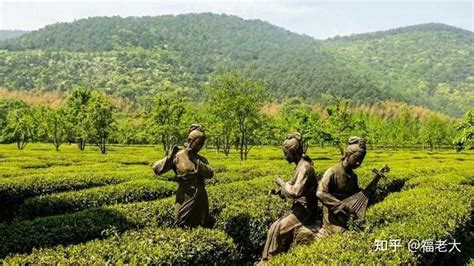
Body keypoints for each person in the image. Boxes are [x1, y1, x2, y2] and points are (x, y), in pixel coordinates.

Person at [259, 132, 319, 264]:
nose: (285, 157)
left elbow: (295, 191)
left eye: (286, 153)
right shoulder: (299, 165)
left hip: (306, 211)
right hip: (298, 209)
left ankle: (271, 259)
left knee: (279, 229)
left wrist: (282, 183)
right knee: (274, 226)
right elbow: (290, 186)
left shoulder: (305, 168)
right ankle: (267, 259)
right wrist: (278, 191)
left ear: (294, 152)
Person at [152, 124, 214, 228]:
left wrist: (194, 160)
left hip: (200, 196)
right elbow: (156, 169)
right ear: (190, 141)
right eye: (198, 144)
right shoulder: (177, 156)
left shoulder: (201, 159)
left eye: (202, 144)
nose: (200, 147)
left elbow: (210, 173)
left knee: (201, 225)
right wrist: (169, 158)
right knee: (181, 223)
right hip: (184, 196)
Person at [315, 136, 366, 239]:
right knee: (349, 237)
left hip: (346, 216)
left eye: (361, 160)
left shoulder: (353, 177)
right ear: (347, 155)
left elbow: (354, 196)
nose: (358, 163)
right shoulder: (332, 172)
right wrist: (340, 206)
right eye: (356, 158)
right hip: (332, 218)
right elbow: (320, 193)